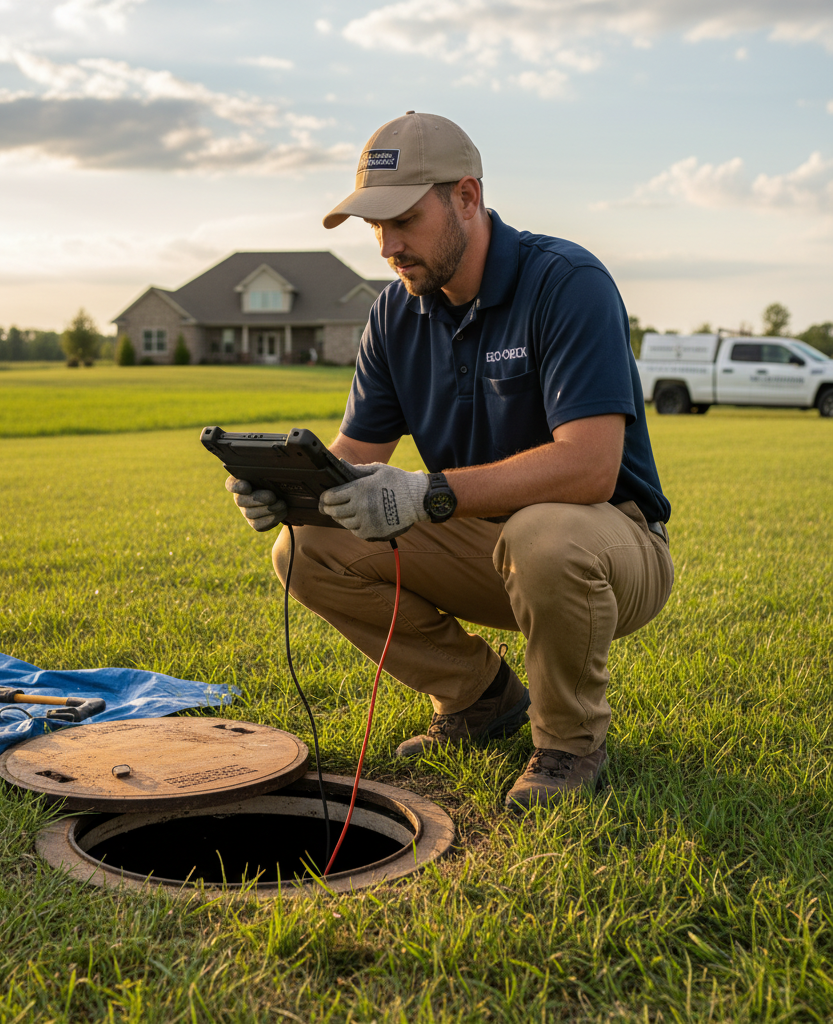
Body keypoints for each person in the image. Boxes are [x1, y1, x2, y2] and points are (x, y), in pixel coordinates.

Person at [226, 112, 673, 812]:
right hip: (486, 545)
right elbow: (353, 462)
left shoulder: (566, 282)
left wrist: (426, 493)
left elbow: (590, 468)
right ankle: (480, 699)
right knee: (305, 548)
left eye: (403, 219)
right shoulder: (395, 315)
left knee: (544, 534)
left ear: (466, 197)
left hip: (609, 546)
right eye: (374, 226)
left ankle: (568, 744)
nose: (387, 246)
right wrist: (291, 492)